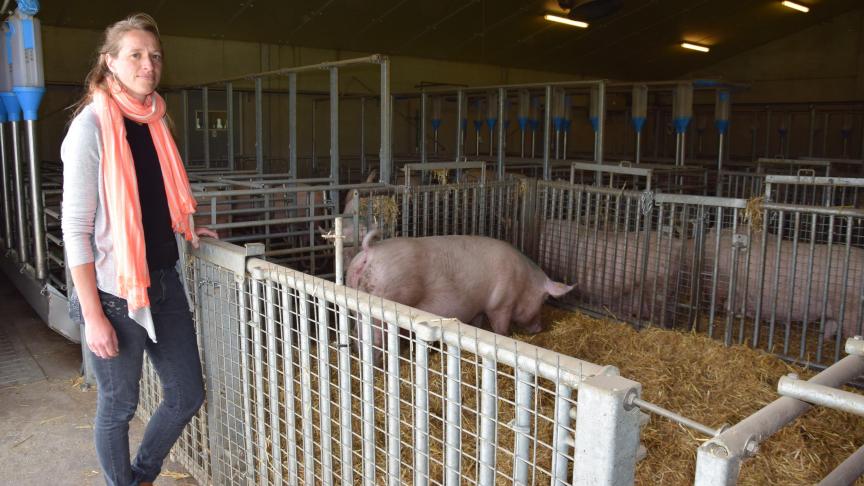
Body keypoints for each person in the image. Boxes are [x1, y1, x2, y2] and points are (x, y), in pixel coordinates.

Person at [60, 13, 217, 486]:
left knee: (186, 394)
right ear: (109, 62)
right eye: (135, 55)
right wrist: (93, 315)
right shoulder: (90, 128)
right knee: (119, 405)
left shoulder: (154, 121)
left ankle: (142, 474)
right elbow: (75, 228)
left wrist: (187, 226)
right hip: (113, 292)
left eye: (154, 56)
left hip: (163, 279)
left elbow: (153, 194)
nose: (148, 64)